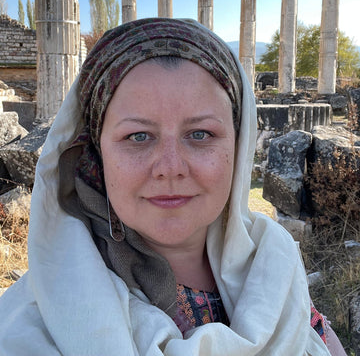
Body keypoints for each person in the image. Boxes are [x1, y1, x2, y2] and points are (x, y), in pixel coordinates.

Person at [0, 18, 345, 355]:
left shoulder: (273, 261)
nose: (170, 169)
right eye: (137, 136)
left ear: (238, 147)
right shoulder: (27, 326)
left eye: (200, 134)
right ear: (96, 153)